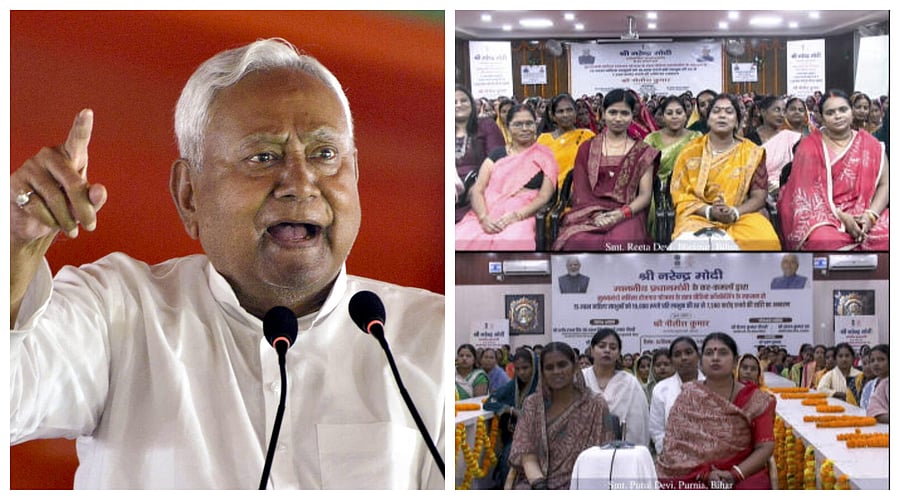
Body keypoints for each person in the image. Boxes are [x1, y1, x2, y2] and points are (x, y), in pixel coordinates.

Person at [10, 38, 444, 489]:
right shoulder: (119, 313)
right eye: (263, 157)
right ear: (189, 195)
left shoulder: (430, 336)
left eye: (324, 154)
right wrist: (14, 246)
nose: (300, 183)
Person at [656, 333, 775, 489]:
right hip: (693, 476)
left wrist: (735, 474)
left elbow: (765, 446)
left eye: (723, 353)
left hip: (742, 473)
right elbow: (673, 447)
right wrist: (704, 475)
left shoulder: (755, 400)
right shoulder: (688, 396)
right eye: (709, 353)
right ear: (701, 362)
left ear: (734, 362)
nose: (715, 358)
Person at [778, 89, 889, 251]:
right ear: (821, 117)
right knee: (823, 240)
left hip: (865, 211)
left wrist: (870, 216)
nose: (838, 116)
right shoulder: (809, 147)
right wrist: (842, 218)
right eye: (830, 113)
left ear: (852, 112)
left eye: (843, 110)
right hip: (823, 217)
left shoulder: (871, 144)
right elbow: (806, 196)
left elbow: (885, 184)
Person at [668, 93, 780, 251]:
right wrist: (710, 211)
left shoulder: (752, 152)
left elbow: (759, 196)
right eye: (716, 111)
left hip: (741, 214)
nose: (722, 115)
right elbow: (681, 196)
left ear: (737, 121)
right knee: (693, 245)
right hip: (698, 215)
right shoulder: (690, 152)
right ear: (708, 119)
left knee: (765, 240)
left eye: (729, 112)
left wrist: (734, 212)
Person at [552, 89, 660, 251]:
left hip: (628, 213)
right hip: (589, 214)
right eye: (612, 112)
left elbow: (645, 195)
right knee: (578, 241)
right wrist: (596, 215)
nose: (618, 118)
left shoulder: (644, 152)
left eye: (624, 113)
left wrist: (621, 213)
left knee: (621, 242)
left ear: (632, 116)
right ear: (602, 113)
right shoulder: (587, 148)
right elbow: (581, 191)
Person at [508, 342, 613, 489]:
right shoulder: (533, 405)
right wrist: (539, 485)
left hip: (582, 484)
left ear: (575, 367)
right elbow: (527, 454)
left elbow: (604, 457)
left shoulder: (595, 405)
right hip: (536, 482)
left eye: (562, 365)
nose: (556, 371)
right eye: (549, 368)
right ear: (542, 372)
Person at [455, 105, 558, 250]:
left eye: (529, 123)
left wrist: (517, 215)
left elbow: (544, 196)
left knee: (511, 242)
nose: (524, 128)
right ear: (508, 127)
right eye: (518, 124)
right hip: (488, 211)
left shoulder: (545, 154)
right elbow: (478, 189)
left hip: (523, 214)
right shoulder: (497, 155)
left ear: (536, 125)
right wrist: (484, 218)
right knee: (459, 239)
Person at [483, 347, 541, 487]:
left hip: (542, 437)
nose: (521, 373)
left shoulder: (543, 385)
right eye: (518, 368)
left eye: (525, 368)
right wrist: (511, 410)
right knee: (507, 458)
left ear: (535, 366)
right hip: (516, 437)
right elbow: (489, 402)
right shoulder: (513, 386)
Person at [581, 330, 650, 446]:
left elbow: (639, 425)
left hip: (622, 452)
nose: (607, 350)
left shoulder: (630, 383)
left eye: (613, 347)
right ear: (592, 351)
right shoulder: (580, 379)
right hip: (584, 451)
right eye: (602, 346)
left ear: (618, 354)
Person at [455, 86, 505, 222]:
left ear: (471, 103)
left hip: (480, 189)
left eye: (463, 100)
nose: (459, 105)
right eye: (453, 102)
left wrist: (477, 185)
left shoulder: (486, 126)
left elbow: (499, 161)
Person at [649, 336, 704, 455]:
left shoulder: (711, 386)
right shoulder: (661, 389)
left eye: (688, 352)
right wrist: (672, 454)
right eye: (677, 355)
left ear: (698, 356)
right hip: (672, 456)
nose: (683, 358)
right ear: (672, 360)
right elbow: (657, 431)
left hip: (708, 456)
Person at [537, 93, 596, 188]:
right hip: (550, 195)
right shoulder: (543, 139)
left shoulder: (587, 136)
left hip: (581, 193)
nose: (565, 115)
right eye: (560, 111)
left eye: (569, 110)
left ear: (576, 112)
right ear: (553, 116)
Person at [863, 345, 889, 423]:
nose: (876, 364)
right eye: (872, 361)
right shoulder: (869, 385)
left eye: (881, 359)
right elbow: (871, 410)